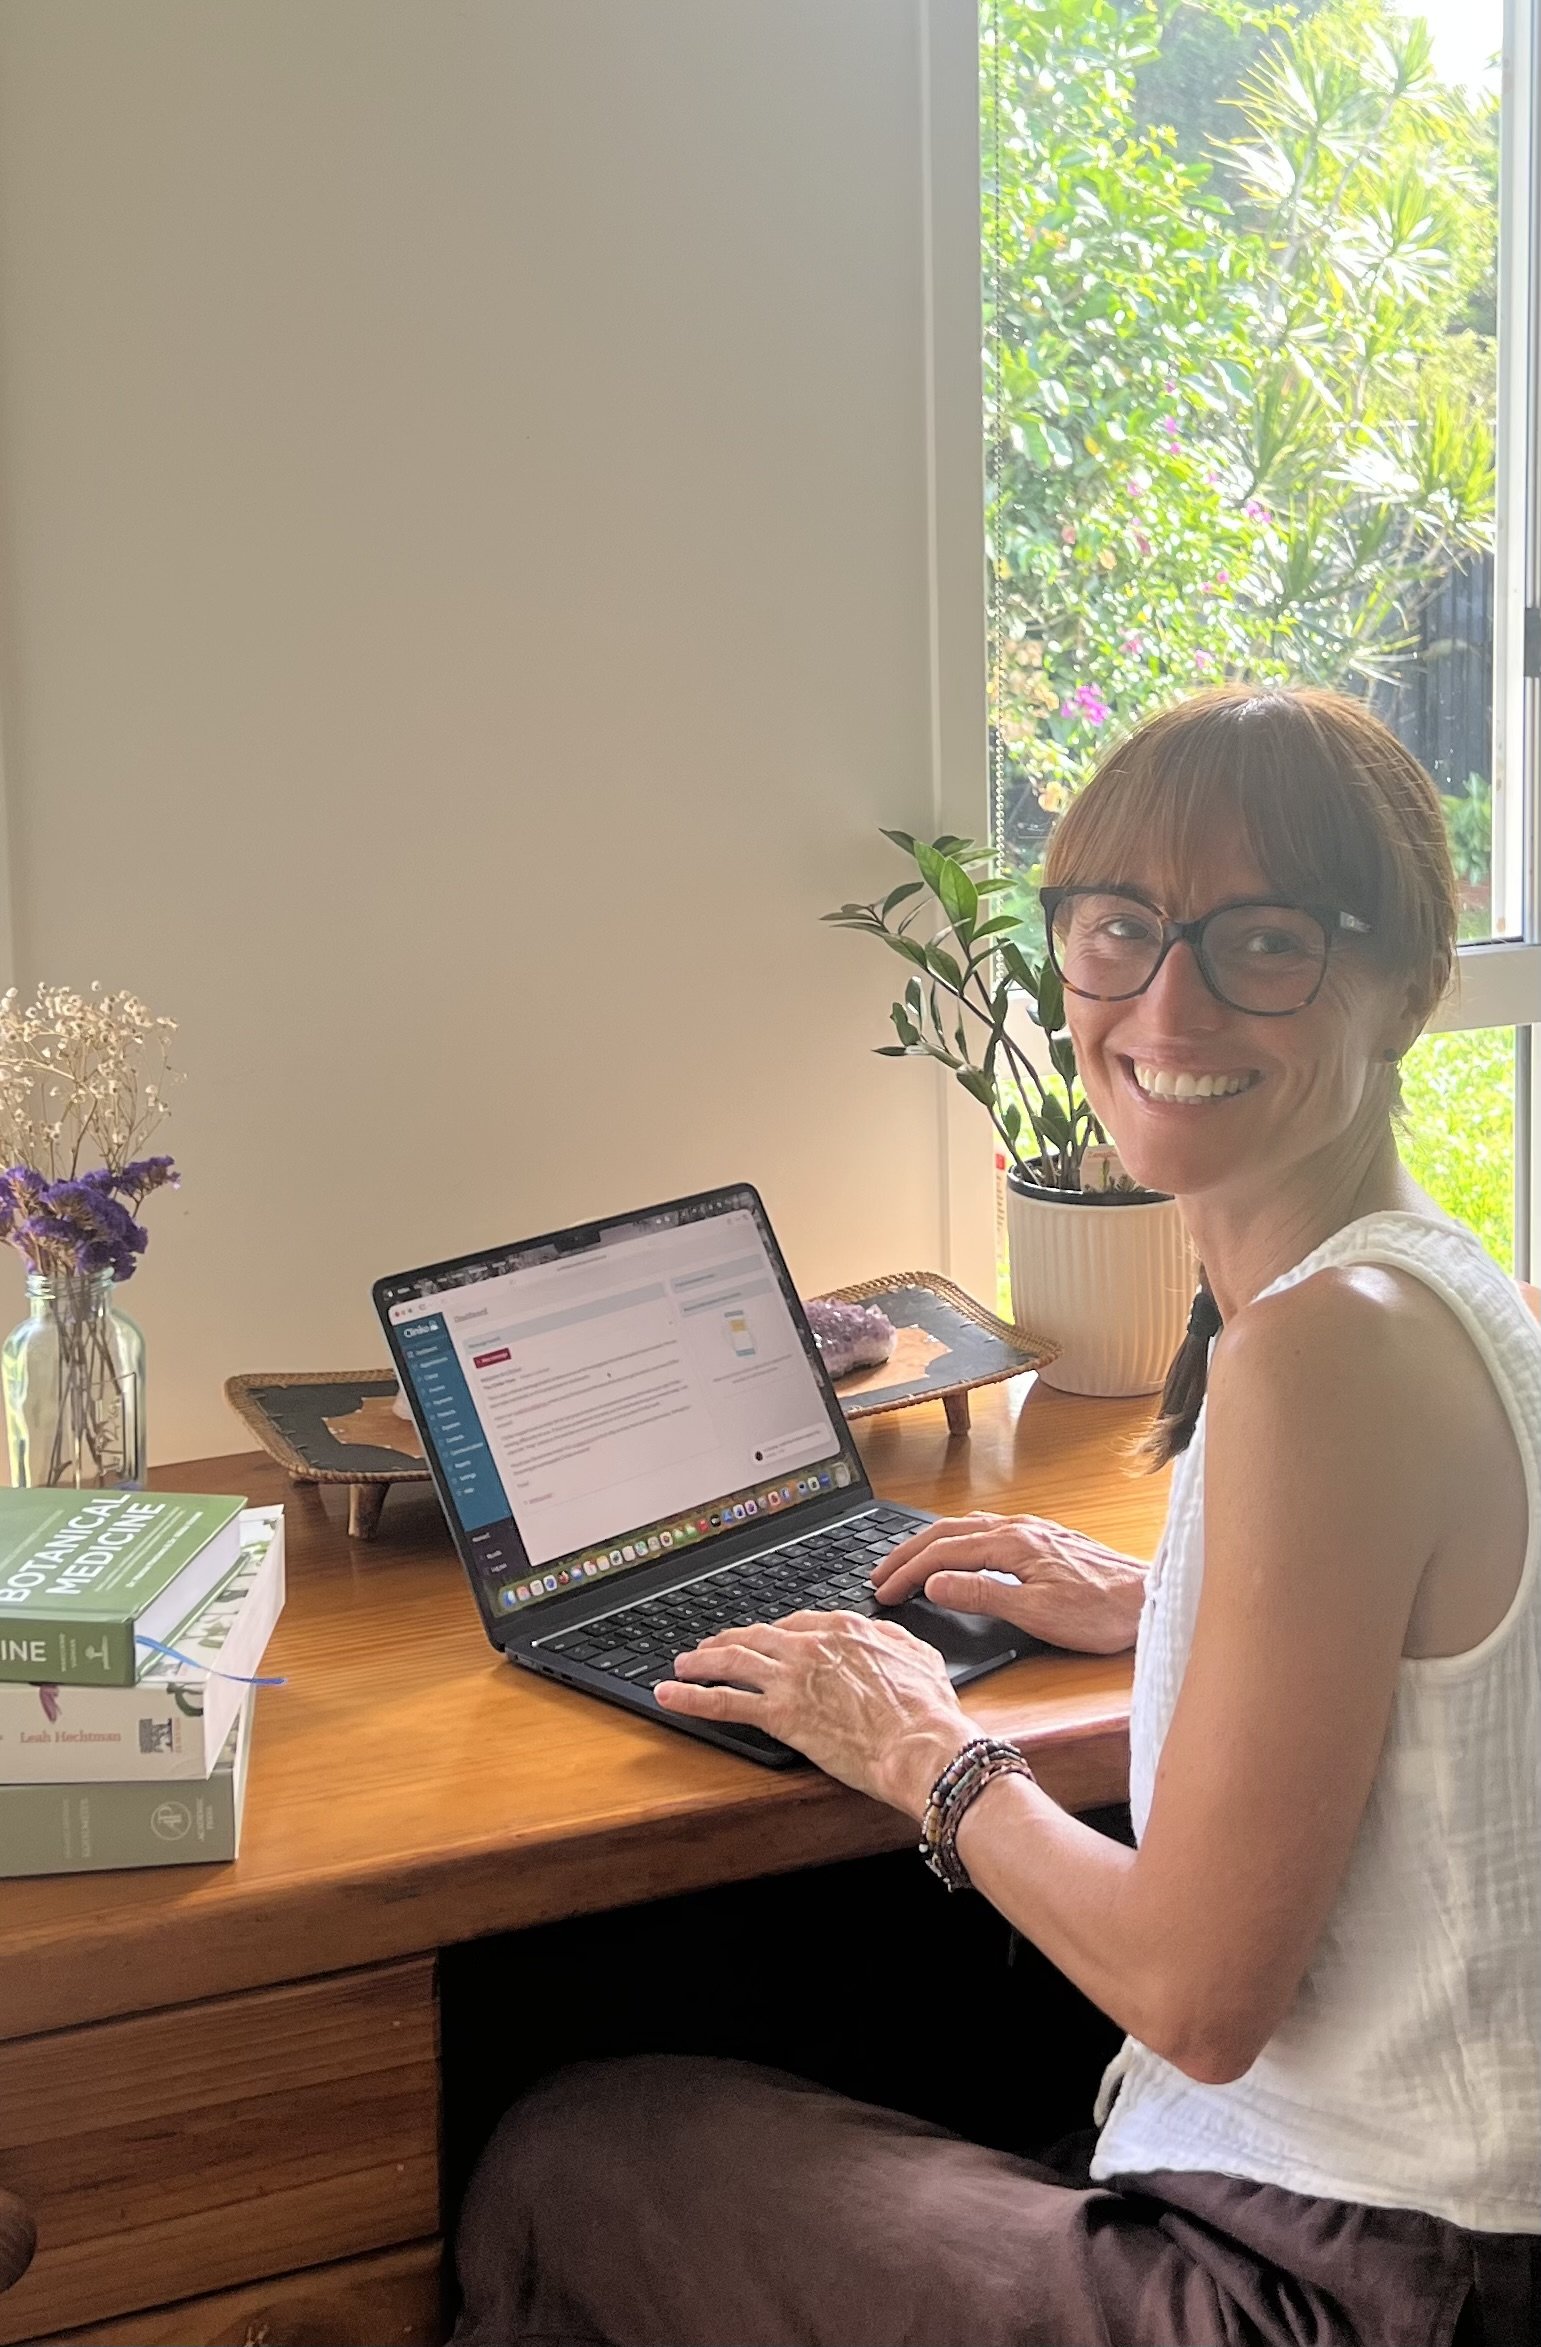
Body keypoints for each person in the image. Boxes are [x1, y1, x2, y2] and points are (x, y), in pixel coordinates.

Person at [452, 687, 1540, 2347]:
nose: (1163, 1001)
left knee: (571, 2143)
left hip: (1345, 2279)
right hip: (1418, 2213)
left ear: (1407, 988)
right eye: (1118, 930)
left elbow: (1196, 1995)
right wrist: (1170, 1596)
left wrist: (921, 1752)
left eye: (1261, 944)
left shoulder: (1319, 1360)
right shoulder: (1439, 1292)